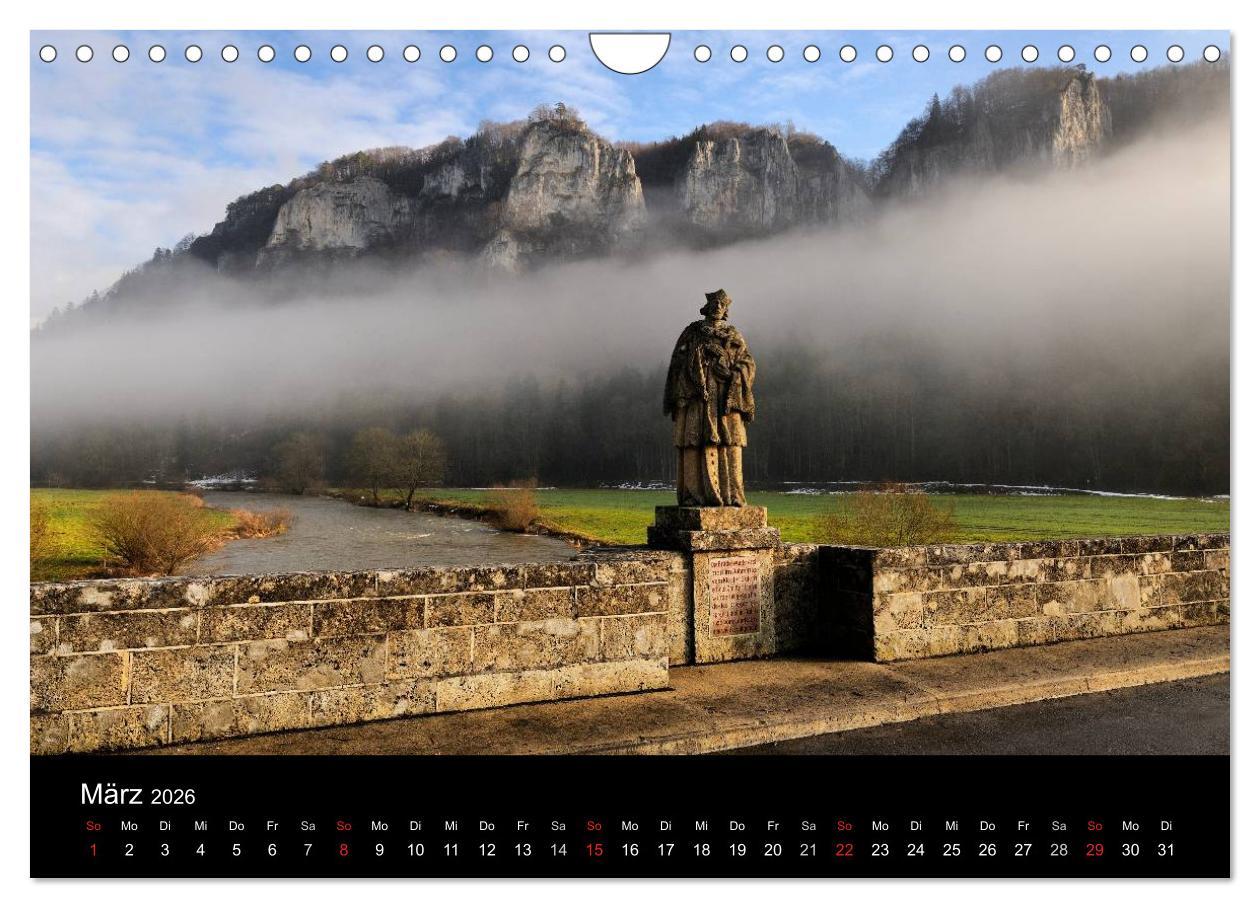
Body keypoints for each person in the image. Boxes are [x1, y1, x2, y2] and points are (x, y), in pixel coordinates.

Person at [663, 289, 756, 507]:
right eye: (714, 303)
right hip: (697, 398)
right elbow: (677, 362)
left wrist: (732, 373)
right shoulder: (692, 333)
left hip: (726, 400)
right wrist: (693, 372)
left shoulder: (733, 336)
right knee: (694, 442)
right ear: (707, 306)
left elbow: (748, 363)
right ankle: (693, 495)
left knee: (731, 443)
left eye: (721, 304)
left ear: (726, 310)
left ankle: (732, 496)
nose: (717, 307)